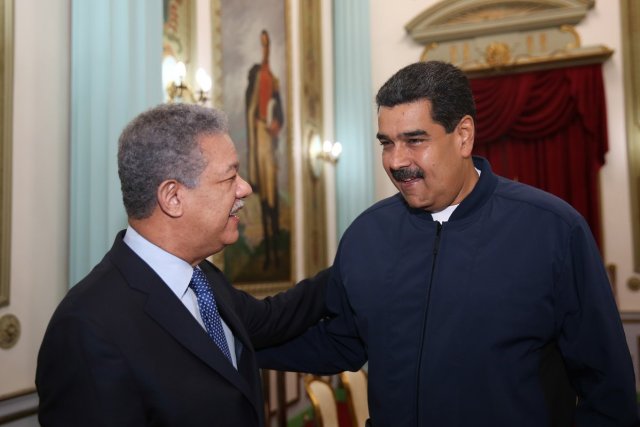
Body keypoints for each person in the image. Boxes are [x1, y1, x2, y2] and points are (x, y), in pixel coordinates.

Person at [258, 61, 639, 426]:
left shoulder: (554, 229)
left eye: (415, 140)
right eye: (387, 143)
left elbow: (606, 388)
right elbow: (344, 342)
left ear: (463, 136)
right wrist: (229, 341)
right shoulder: (366, 234)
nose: (395, 161)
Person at [36, 103, 329, 427]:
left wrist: (359, 261)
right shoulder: (86, 328)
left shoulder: (204, 279)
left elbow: (273, 319)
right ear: (173, 197)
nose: (245, 188)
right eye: (230, 176)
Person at [245, 29, 283, 270]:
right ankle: (268, 250)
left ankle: (274, 248)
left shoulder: (274, 80)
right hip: (257, 135)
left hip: (268, 138)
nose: (265, 48)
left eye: (267, 44)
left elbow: (280, 112)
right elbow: (251, 107)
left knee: (272, 193)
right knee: (263, 192)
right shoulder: (255, 75)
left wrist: (276, 124)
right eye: (262, 44)